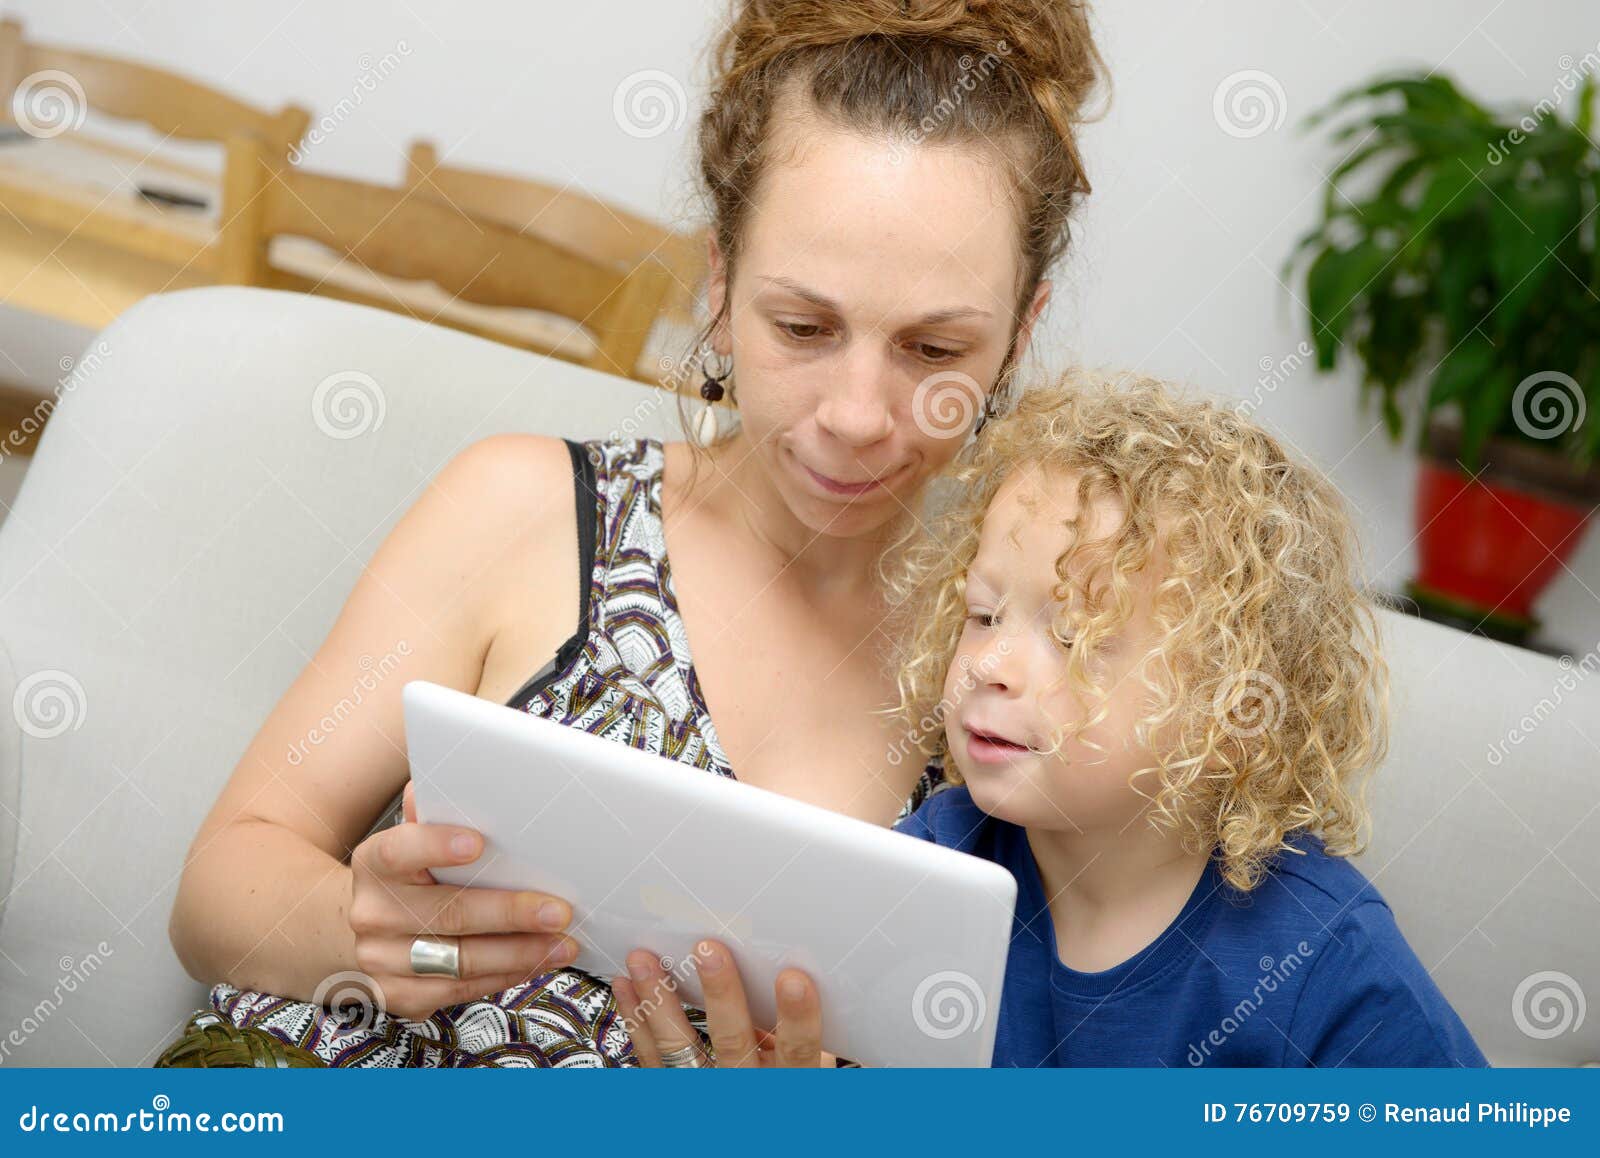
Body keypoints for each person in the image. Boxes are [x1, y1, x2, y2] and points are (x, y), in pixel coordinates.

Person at [164, 0, 1108, 1067]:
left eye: (934, 348)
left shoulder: (1008, 676)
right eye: (801, 327)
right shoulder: (526, 513)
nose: (855, 413)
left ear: (1019, 333)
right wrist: (382, 945)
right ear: (719, 285)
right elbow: (217, 890)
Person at [890, 371, 1488, 1067]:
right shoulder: (940, 854)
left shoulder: (1325, 960)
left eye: (1077, 637)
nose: (989, 662)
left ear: (1231, 705)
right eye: (984, 614)